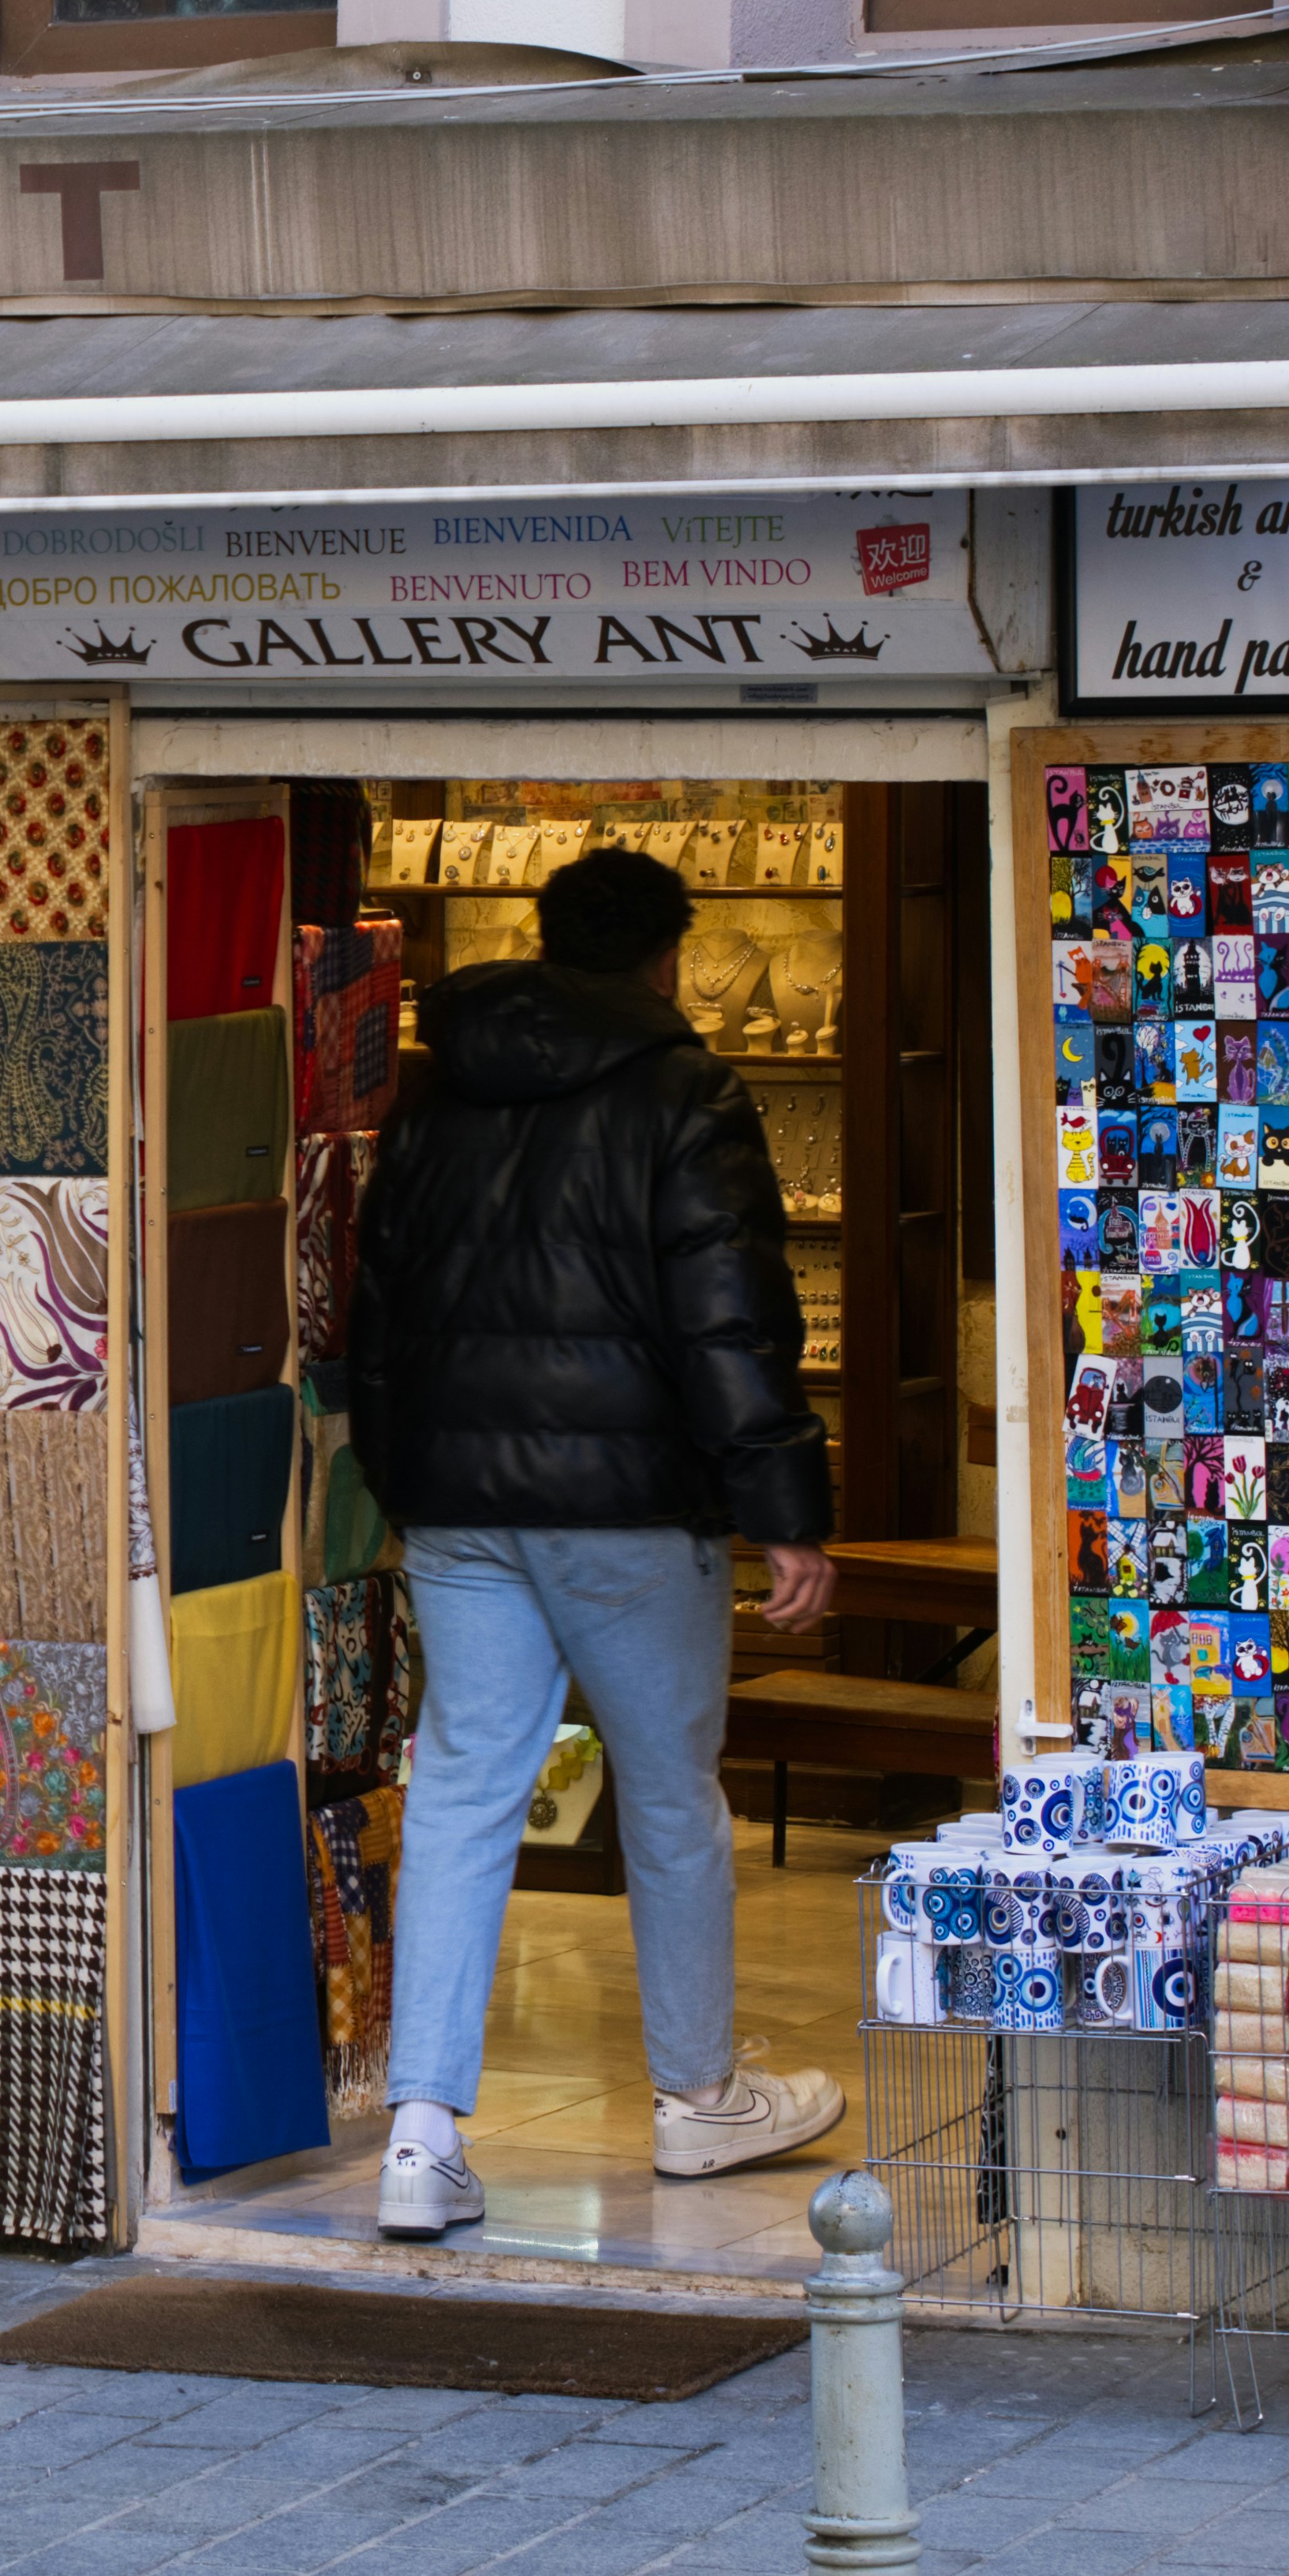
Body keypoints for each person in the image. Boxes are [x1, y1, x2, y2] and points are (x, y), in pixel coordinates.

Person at [347, 842, 845, 2242]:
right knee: (670, 1798)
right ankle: (696, 2098)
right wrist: (784, 1510)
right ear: (666, 955)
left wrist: (406, 1479)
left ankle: (422, 2134)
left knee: (458, 1790)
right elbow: (728, 1316)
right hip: (628, 1509)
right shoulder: (685, 1091)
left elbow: (373, 1307)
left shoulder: (434, 1090)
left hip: (458, 1504)